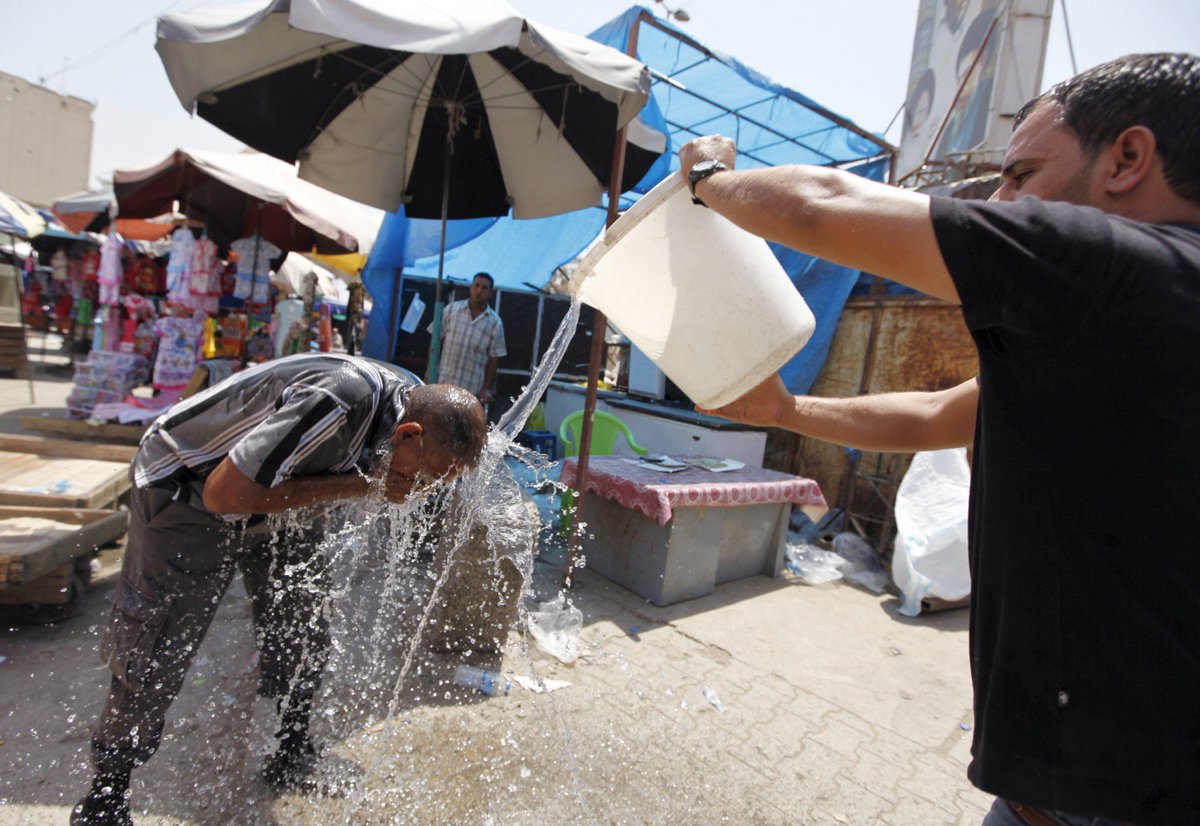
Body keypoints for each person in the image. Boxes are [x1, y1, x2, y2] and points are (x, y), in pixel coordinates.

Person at [679, 52, 1200, 825]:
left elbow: (819, 206)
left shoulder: (1119, 265)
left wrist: (709, 180)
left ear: (1127, 158)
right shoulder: (1131, 325)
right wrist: (786, 409)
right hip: (1062, 796)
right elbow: (934, 416)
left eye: (1022, 174)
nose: (1002, 199)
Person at [72, 353, 487, 825]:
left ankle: (291, 750)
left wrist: (360, 483)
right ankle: (106, 794)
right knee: (160, 642)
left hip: (280, 486)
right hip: (189, 488)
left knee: (304, 623)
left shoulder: (411, 405)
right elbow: (223, 495)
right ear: (408, 435)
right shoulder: (339, 401)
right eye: (424, 477)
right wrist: (360, 485)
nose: (421, 490)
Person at [434, 272, 506, 404]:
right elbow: (435, 340)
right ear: (471, 287)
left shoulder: (495, 323)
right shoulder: (451, 310)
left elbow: (494, 360)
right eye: (477, 286)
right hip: (443, 384)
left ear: (490, 293)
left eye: (484, 288)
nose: (479, 290)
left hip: (470, 391)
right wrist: (429, 371)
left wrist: (485, 388)